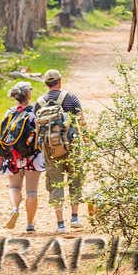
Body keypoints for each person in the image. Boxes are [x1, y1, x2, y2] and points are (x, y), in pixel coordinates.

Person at [37, 69, 86, 231]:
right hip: (71, 146)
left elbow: (37, 127)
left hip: (50, 149)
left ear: (46, 84)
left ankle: (60, 224)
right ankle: (74, 217)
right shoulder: (71, 97)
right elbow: (81, 119)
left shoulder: (39, 102)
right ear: (60, 81)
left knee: (55, 182)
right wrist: (85, 139)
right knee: (75, 178)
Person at [0, 81, 45, 232]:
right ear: (28, 94)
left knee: (14, 187)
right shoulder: (35, 112)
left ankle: (14, 209)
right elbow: (40, 136)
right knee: (32, 191)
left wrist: (0, 158)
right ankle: (30, 224)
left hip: (12, 157)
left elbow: (2, 136)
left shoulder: (9, 113)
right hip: (33, 158)